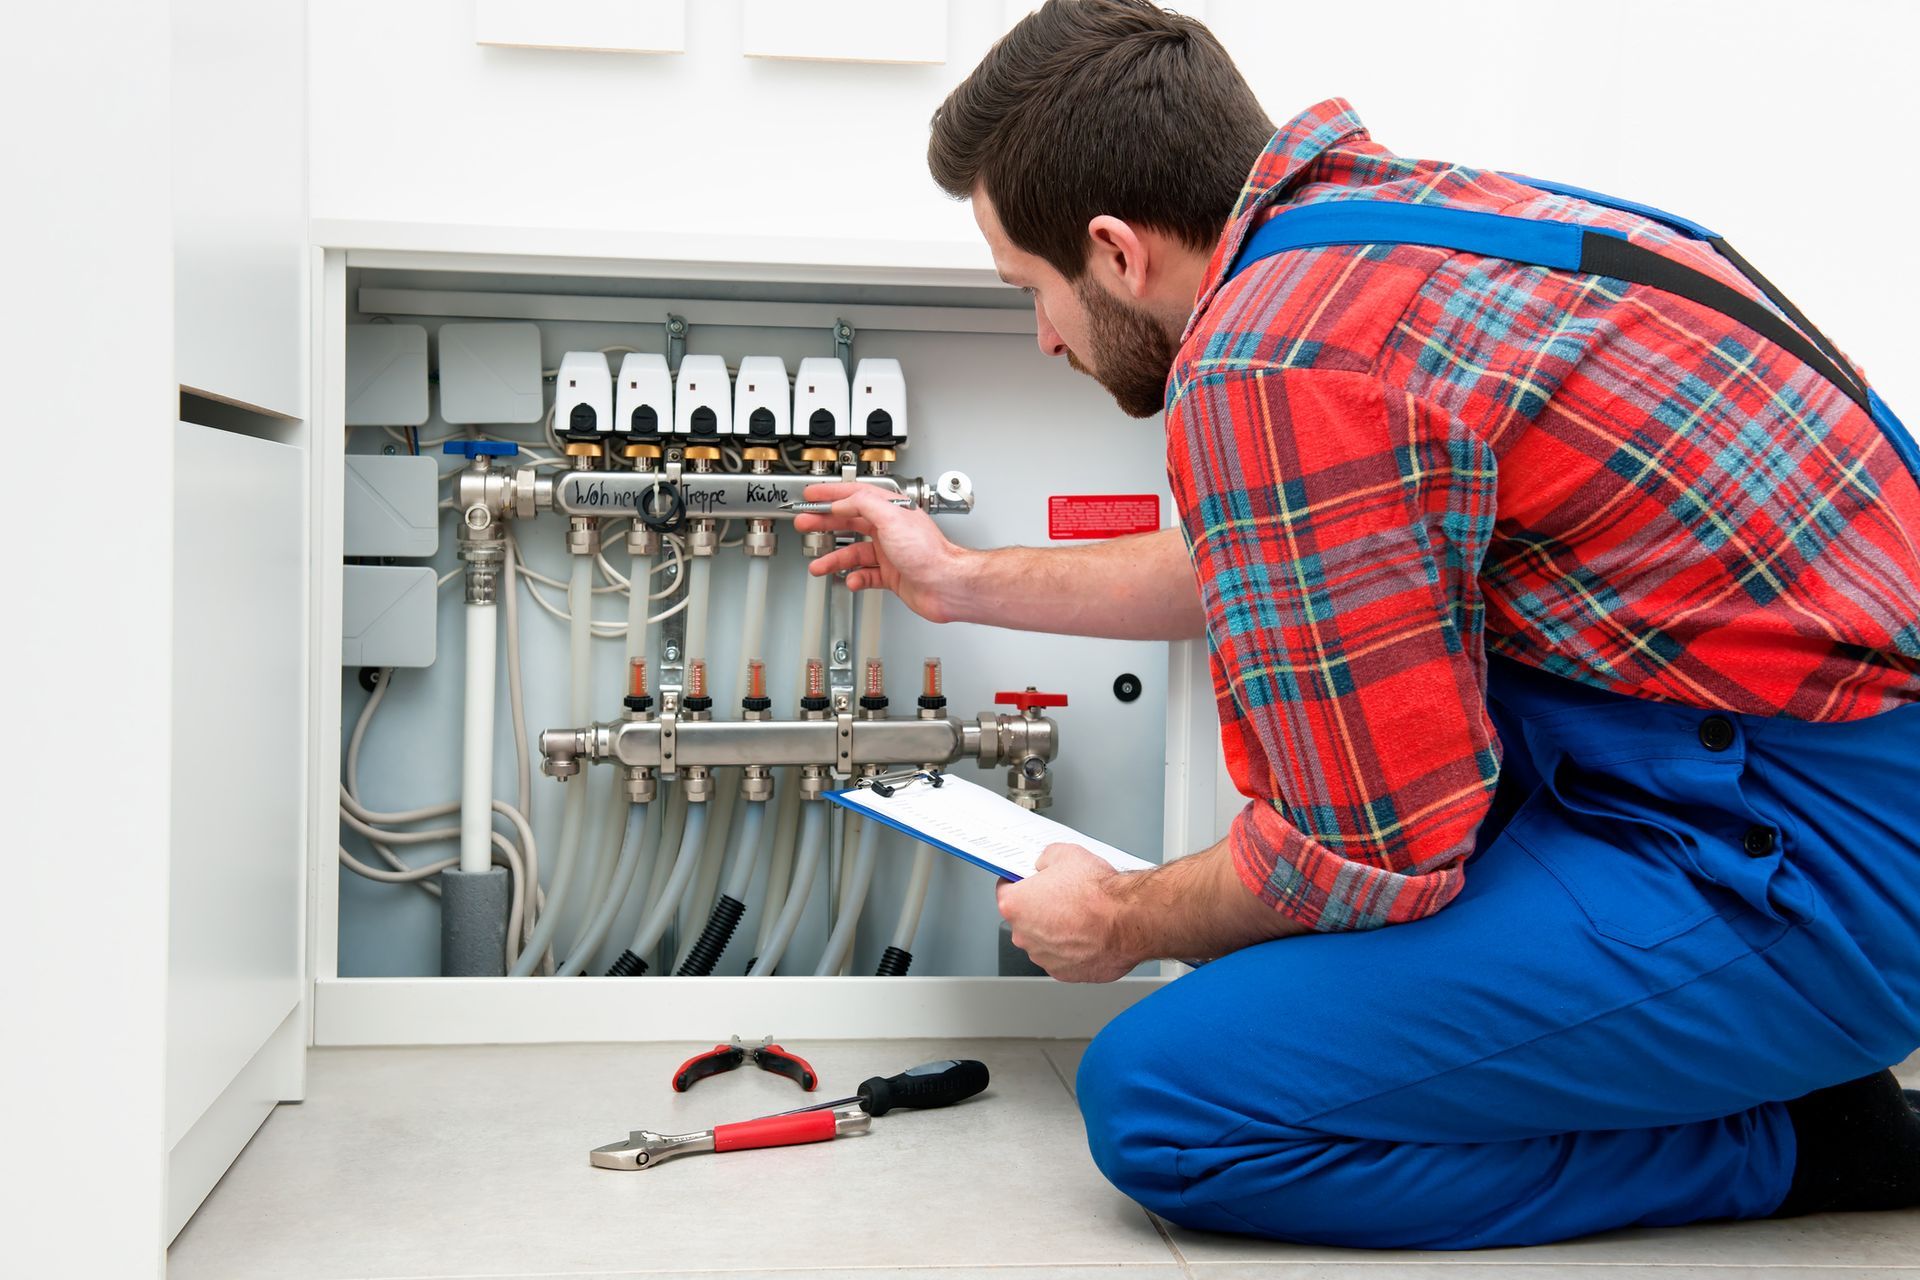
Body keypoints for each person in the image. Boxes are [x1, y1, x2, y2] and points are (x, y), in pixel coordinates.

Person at [793, 0, 1920, 1250]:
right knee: (1272, 967)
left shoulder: (1265, 369)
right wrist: (953, 578)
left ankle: (1803, 1135)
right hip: (1766, 773)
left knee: (1166, 1101)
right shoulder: (1380, 231)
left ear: (1115, 251)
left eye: (1032, 288)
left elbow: (1366, 855)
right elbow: (1271, 549)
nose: (1043, 335)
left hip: (1822, 867)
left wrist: (1116, 918)